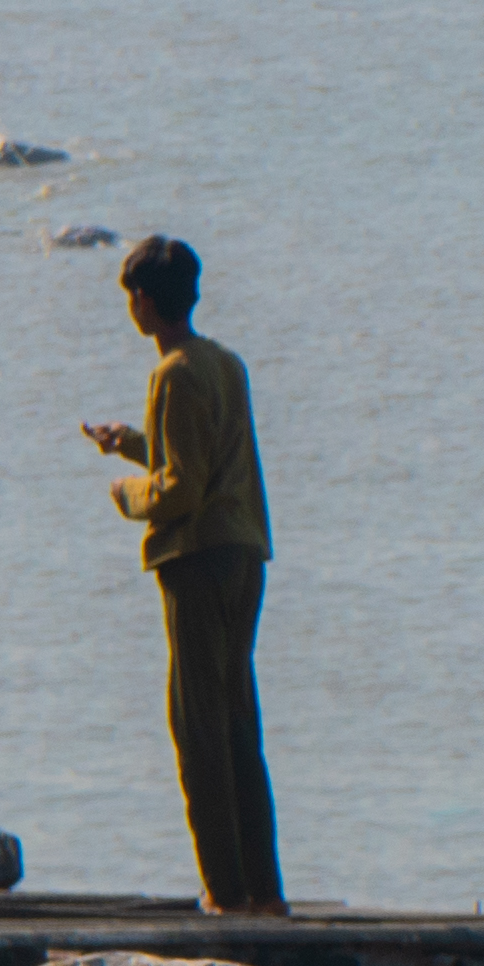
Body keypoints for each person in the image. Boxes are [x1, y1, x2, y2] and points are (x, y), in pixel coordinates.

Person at [77, 234, 281, 915]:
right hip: (245, 555)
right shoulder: (223, 362)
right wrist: (130, 443)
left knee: (197, 727)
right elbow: (198, 458)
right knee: (236, 720)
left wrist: (124, 493)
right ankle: (263, 891)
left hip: (197, 561)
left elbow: (178, 493)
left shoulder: (171, 374)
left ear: (142, 301)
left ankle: (224, 893)